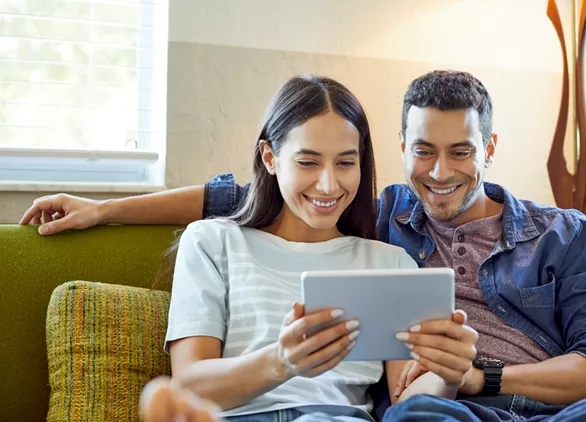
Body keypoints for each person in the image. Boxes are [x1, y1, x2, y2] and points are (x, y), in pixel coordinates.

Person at [21, 70, 586, 421]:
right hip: (391, 414)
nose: (441, 171)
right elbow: (236, 196)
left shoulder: (399, 249)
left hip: (442, 412)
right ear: (402, 152)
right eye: (423, 150)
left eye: (462, 151)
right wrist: (104, 209)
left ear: (490, 149)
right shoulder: (371, 217)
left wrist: (464, 376)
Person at [114, 74, 479, 422]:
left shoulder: (390, 263)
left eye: (346, 163)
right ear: (270, 158)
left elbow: (407, 400)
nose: (327, 184)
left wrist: (448, 373)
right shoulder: (212, 242)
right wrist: (282, 361)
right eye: (307, 162)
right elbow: (188, 382)